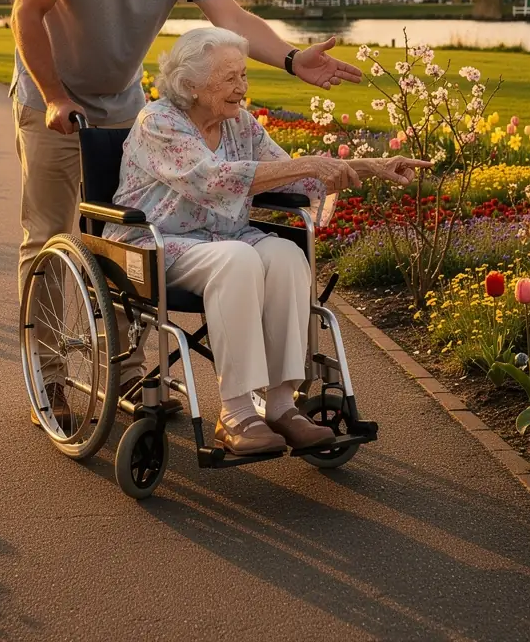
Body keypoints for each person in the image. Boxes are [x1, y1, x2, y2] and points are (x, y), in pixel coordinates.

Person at [11, 0, 363, 428]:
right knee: (49, 233)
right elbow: (27, 12)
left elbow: (231, 17)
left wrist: (292, 58)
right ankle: (49, 376)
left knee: (118, 235)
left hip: (120, 99)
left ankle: (128, 370)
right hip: (52, 96)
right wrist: (53, 96)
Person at [105, 28, 427, 454]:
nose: (242, 87)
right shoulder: (159, 122)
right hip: (157, 242)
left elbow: (297, 172)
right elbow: (212, 179)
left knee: (285, 255)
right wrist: (311, 163)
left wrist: (376, 164)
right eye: (229, 78)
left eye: (243, 75)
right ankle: (236, 414)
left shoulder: (240, 124)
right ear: (191, 85)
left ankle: (280, 405)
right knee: (238, 259)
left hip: (226, 238)